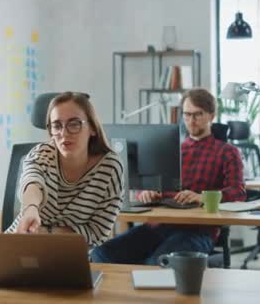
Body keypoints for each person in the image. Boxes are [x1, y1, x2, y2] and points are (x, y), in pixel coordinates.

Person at [91, 88, 246, 264]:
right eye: (187, 115)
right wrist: (146, 193)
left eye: (197, 115)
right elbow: (144, 185)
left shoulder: (227, 152)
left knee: (156, 263)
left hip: (197, 230)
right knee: (101, 254)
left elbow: (238, 193)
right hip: (158, 226)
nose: (191, 121)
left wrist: (201, 197)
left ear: (211, 115)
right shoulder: (171, 149)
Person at [5, 92, 124, 248]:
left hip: (71, 255)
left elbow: (97, 233)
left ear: (93, 128)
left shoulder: (110, 168)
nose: (64, 133)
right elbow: (32, 181)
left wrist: (46, 233)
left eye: (74, 124)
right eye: (56, 125)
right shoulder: (42, 153)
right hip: (21, 243)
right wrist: (31, 208)